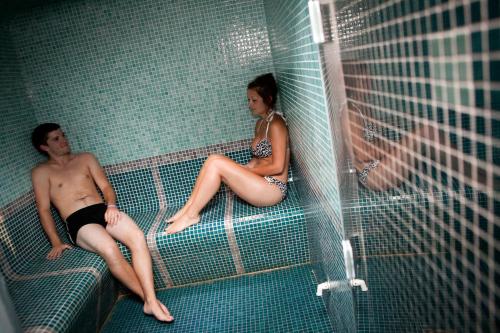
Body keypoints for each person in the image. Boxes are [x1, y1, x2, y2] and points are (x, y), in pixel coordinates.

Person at [30, 123, 174, 323]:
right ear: (43, 147)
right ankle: (149, 300)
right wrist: (55, 241)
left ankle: (150, 301)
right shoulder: (42, 172)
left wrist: (111, 206)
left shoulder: (85, 158)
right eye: (56, 139)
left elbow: (105, 186)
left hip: (103, 210)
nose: (63, 140)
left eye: (63, 135)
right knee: (109, 248)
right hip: (77, 220)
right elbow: (43, 209)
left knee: (137, 237)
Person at [166, 73, 290, 234]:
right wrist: (241, 169)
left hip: (273, 188)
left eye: (254, 100)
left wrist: (245, 171)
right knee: (213, 159)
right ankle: (188, 208)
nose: (250, 104)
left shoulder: (276, 124)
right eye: (248, 100)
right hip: (259, 182)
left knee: (217, 163)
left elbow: (278, 166)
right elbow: (259, 159)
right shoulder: (260, 124)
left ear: (268, 98)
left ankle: (191, 215)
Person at [342, 101, 438, 191]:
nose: (367, 83)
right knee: (426, 133)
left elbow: (376, 143)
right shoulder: (351, 111)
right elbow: (363, 154)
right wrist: (394, 145)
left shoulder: (363, 107)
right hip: (369, 172)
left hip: (380, 162)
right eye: (362, 81)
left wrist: (390, 145)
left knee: (427, 135)